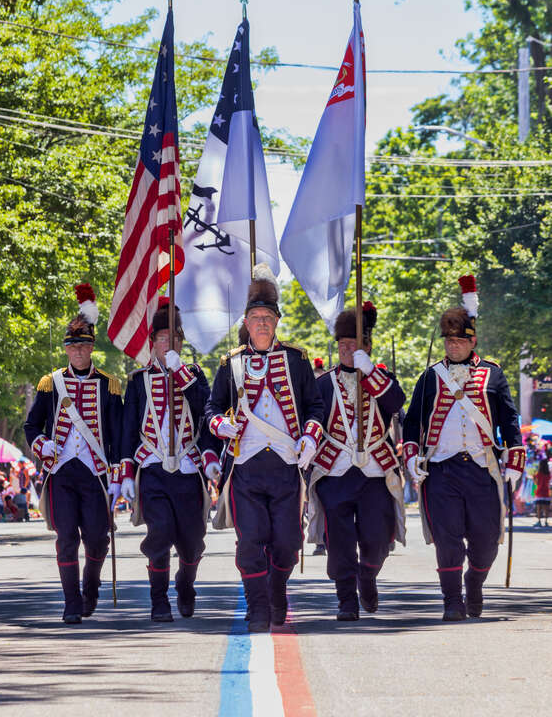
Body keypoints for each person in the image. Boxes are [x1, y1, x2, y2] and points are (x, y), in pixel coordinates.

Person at [205, 264, 324, 632]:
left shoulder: (297, 359)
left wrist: (309, 436)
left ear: (276, 321)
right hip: (246, 469)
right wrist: (220, 425)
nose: (261, 324)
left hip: (286, 466)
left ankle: (276, 594)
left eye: (267, 317)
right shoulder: (232, 362)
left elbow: (315, 407)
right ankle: (258, 608)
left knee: (287, 544)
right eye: (255, 317)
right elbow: (211, 407)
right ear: (245, 320)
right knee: (251, 542)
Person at [403, 275, 525, 621]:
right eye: (449, 340)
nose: (453, 345)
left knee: (486, 540)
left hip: (482, 468)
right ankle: (452, 601)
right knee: (448, 539)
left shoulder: (493, 374)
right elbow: (413, 423)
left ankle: (475, 582)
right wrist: (412, 458)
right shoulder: (430, 377)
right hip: (442, 470)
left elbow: (510, 421)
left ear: (473, 341)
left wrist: (514, 462)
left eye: (459, 340)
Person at [24, 284, 123, 624]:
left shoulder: (109, 386)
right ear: (66, 349)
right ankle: (71, 602)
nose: (78, 351)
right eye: (72, 346)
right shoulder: (50, 384)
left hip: (95, 474)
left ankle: (90, 588)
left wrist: (119, 475)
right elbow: (31, 427)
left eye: (83, 345)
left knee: (97, 539)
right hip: (61, 474)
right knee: (66, 538)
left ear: (92, 348)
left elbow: (118, 436)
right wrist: (42, 445)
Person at [120, 299, 222, 622]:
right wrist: (125, 473)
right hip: (152, 468)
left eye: (175, 338)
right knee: (159, 533)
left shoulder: (194, 374)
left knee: (192, 541)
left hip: (189, 469)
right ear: (153, 343)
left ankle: (186, 585)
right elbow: (128, 430)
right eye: (163, 338)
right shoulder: (138, 380)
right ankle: (159, 599)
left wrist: (180, 373)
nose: (169, 344)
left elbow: (204, 413)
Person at [307, 304, 406, 620]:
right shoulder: (324, 384)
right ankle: (346, 600)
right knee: (340, 542)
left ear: (368, 346)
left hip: (375, 472)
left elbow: (395, 403)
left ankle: (369, 575)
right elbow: (312, 418)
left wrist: (370, 372)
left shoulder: (381, 379)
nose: (347, 350)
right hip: (335, 471)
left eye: (354, 345)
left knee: (377, 538)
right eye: (343, 345)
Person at [532, 458, 550, 527]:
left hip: (539, 492)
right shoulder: (548, 474)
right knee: (546, 509)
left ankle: (539, 521)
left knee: (539, 508)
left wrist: (534, 478)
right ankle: (546, 521)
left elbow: (537, 483)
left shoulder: (538, 474)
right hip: (546, 492)